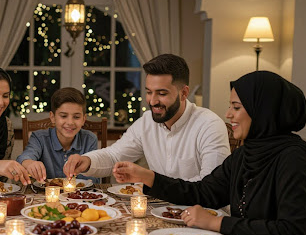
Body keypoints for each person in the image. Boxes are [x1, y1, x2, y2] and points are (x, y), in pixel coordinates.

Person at [112, 71, 306, 235]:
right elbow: (205, 192)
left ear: (262, 110)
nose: (228, 114)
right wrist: (147, 176)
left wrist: (217, 223)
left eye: (236, 107)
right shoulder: (246, 154)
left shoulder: (294, 159)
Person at [64, 54, 230, 182]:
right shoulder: (146, 122)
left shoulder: (209, 125)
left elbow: (211, 185)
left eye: (162, 93)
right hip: (162, 211)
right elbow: (115, 155)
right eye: (149, 92)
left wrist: (150, 179)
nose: (152, 101)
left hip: (204, 217)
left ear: (184, 93)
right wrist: (87, 161)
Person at [16, 87, 99, 183]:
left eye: (76, 117)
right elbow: (24, 158)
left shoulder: (90, 139)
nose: (70, 122)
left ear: (83, 119)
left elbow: (94, 179)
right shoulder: (39, 138)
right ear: (52, 117)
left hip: (79, 196)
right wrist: (29, 162)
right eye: (63, 116)